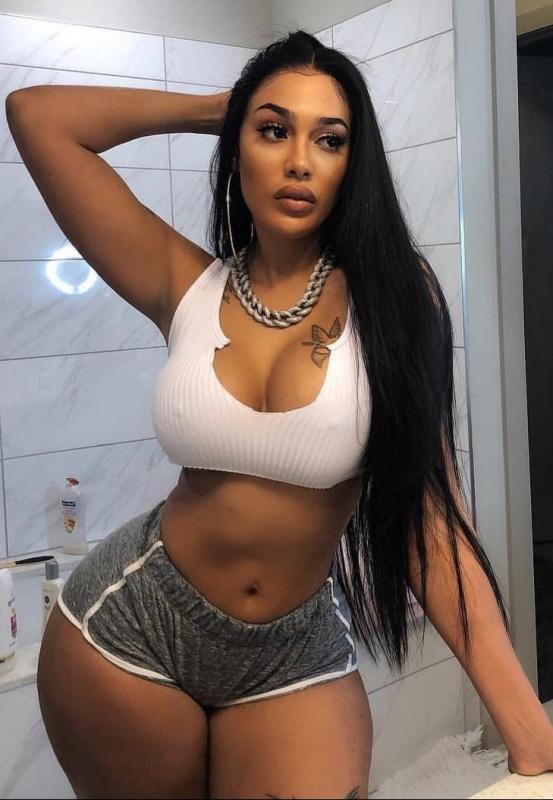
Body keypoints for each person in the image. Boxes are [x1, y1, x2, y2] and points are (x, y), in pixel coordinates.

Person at [6, 28, 553, 800]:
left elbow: (429, 521)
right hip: (128, 630)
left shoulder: (396, 298)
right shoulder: (182, 282)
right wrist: (216, 110)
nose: (299, 160)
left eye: (328, 140)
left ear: (350, 165)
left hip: (291, 650)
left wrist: (527, 729)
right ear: (238, 151)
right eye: (272, 131)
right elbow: (37, 115)